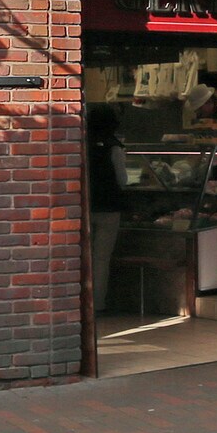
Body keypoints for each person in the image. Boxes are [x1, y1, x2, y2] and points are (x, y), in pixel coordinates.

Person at [85, 107, 126, 314]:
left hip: (86, 206)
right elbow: (123, 179)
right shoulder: (114, 146)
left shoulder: (81, 144)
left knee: (85, 255)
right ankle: (98, 303)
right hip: (110, 207)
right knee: (101, 258)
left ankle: (82, 301)